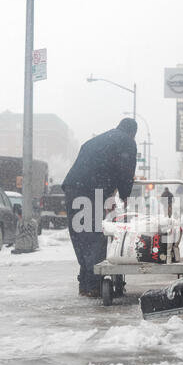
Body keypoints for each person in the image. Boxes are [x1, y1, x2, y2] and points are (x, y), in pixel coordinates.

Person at [62, 118, 137, 297]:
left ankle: (85, 283)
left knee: (80, 236)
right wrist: (125, 194)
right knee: (95, 236)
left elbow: (97, 165)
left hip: (73, 186)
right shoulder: (127, 142)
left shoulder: (97, 140)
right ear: (133, 133)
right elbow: (126, 170)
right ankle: (94, 285)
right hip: (91, 189)